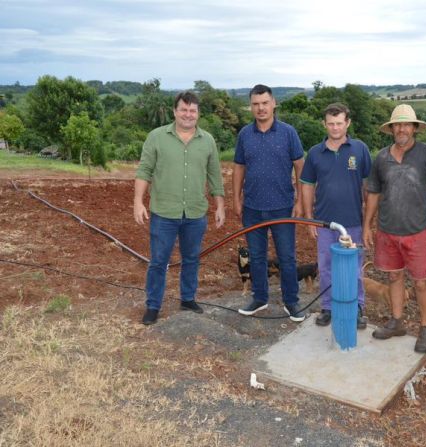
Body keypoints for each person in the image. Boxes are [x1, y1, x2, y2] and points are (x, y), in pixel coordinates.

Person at [134, 91, 226, 325]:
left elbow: (215, 175)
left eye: (192, 110)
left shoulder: (208, 141)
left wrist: (220, 206)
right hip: (164, 212)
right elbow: (144, 170)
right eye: (183, 109)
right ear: (175, 111)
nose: (187, 114)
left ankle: (187, 298)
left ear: (198, 114)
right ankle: (153, 306)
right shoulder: (156, 137)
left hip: (195, 212)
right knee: (158, 261)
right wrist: (138, 202)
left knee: (192, 258)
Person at [362, 104, 426, 353]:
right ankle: (397, 321)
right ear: (391, 129)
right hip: (387, 230)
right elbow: (374, 193)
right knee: (394, 276)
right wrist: (368, 225)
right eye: (397, 125)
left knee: (421, 283)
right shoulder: (381, 157)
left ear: (414, 128)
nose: (401, 129)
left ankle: (425, 328)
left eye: (406, 124)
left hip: (418, 230)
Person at [233, 84, 306, 322]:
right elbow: (239, 167)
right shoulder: (245, 134)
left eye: (265, 103)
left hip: (283, 205)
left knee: (287, 257)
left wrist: (299, 200)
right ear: (251, 107)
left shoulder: (288, 133)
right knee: (256, 256)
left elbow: (299, 166)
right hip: (252, 207)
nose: (260, 108)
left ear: (274, 103)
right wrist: (236, 198)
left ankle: (291, 301)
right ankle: (259, 298)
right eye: (256, 104)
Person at [300, 103, 372, 329]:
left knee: (354, 267)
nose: (335, 128)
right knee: (326, 265)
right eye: (330, 124)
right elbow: (307, 185)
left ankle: (357, 307)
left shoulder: (359, 149)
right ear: (324, 124)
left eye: (339, 123)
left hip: (352, 221)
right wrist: (309, 217)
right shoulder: (314, 153)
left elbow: (368, 187)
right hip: (324, 222)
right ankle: (328, 307)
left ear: (347, 123)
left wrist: (368, 222)